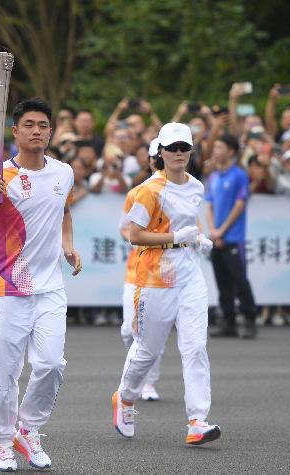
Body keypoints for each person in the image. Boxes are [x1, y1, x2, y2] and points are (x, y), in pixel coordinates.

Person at [0, 98, 82, 472]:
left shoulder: (64, 173)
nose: (36, 131)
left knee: (51, 364)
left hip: (50, 286)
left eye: (43, 125)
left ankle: (28, 429)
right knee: (8, 369)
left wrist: (68, 246)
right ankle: (2, 441)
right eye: (28, 124)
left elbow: (63, 211)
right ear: (14, 132)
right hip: (9, 284)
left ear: (51, 131)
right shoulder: (1, 177)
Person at [112, 122, 220, 446]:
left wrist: (198, 238)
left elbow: (189, 224)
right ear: (160, 151)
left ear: (191, 150)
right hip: (155, 279)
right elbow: (133, 235)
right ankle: (126, 399)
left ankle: (197, 420)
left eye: (183, 148)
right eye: (171, 148)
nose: (177, 153)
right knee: (146, 349)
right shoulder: (149, 190)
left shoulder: (196, 187)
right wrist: (175, 239)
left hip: (190, 277)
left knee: (196, 346)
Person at [119, 138, 163, 401]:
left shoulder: (184, 190)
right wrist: (139, 236)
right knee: (129, 330)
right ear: (149, 160)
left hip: (163, 273)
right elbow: (125, 227)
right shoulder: (137, 192)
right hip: (136, 270)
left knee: (152, 330)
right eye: (156, 157)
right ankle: (140, 373)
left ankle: (149, 382)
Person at [205, 133, 258, 339]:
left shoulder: (239, 176)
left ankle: (250, 319)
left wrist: (222, 230)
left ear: (231, 151)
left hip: (233, 238)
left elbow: (239, 204)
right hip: (216, 237)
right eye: (215, 147)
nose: (215, 151)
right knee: (222, 282)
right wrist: (213, 230)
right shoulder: (214, 177)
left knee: (240, 280)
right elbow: (208, 204)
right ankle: (229, 322)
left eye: (219, 147)